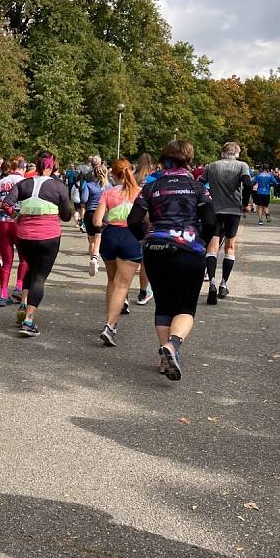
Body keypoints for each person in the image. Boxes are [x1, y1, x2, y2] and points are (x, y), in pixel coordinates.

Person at [128, 140, 216, 381]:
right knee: (186, 307)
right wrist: (200, 241)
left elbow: (133, 220)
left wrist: (145, 238)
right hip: (189, 250)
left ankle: (164, 360)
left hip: (157, 249)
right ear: (188, 160)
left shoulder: (151, 187)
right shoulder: (198, 188)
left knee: (164, 305)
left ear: (164, 158)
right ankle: (172, 346)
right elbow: (210, 222)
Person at [1, 151, 72, 336]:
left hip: (24, 237)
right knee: (39, 277)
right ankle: (28, 321)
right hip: (48, 238)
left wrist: (17, 217)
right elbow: (66, 216)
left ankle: (24, 305)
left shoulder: (23, 183)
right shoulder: (58, 186)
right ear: (51, 166)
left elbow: (6, 204)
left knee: (30, 269)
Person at [94, 159, 141, 347]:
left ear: (113, 174)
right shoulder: (139, 193)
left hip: (111, 236)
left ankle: (109, 320)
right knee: (123, 284)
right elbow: (148, 218)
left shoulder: (108, 193)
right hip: (131, 237)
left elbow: (97, 221)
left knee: (112, 281)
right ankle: (110, 325)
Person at [199, 142, 252, 304]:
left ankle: (212, 282)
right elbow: (248, 183)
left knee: (212, 247)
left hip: (214, 209)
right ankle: (224, 284)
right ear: (237, 153)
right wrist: (245, 203)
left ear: (222, 152)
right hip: (233, 211)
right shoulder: (242, 166)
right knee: (230, 247)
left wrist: (204, 199)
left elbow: (199, 182)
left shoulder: (212, 166)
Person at [0, 157, 28, 306]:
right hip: (19, 222)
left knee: (7, 261)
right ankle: (19, 287)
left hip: (2, 223)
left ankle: (3, 294)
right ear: (23, 168)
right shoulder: (26, 182)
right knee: (24, 258)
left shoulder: (1, 182)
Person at [133, 153, 155, 305]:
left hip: (131, 217)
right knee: (145, 261)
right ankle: (143, 292)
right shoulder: (154, 181)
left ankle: (123, 292)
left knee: (128, 259)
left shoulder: (132, 178)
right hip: (148, 220)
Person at [81, 165, 111, 276]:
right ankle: (95, 258)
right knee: (99, 237)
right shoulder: (109, 186)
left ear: (93, 174)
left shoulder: (88, 186)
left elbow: (84, 200)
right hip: (103, 213)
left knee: (91, 239)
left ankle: (94, 260)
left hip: (90, 213)